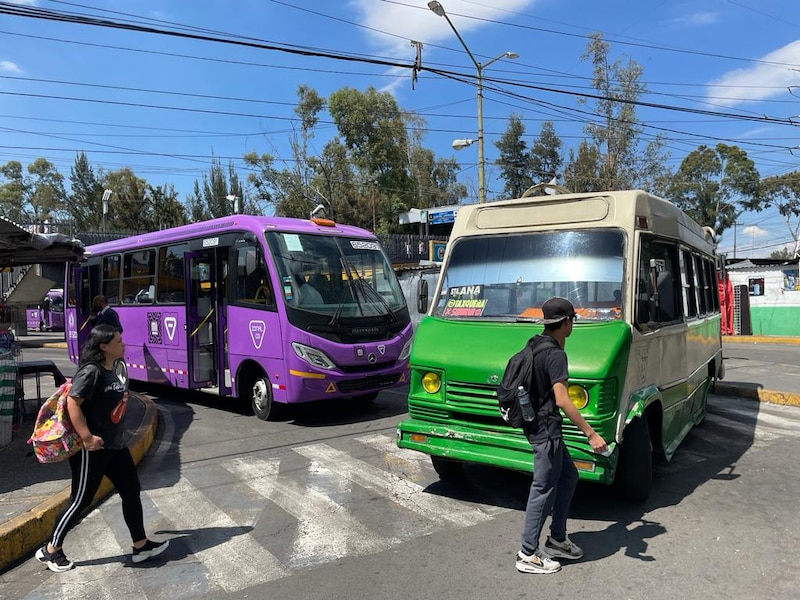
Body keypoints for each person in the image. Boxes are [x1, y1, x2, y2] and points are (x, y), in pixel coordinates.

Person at [35, 325, 169, 572]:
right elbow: (74, 403)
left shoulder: (111, 369)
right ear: (104, 346)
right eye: (118, 341)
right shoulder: (91, 372)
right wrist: (86, 437)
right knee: (81, 499)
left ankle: (140, 545)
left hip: (115, 446)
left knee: (131, 490)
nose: (123, 344)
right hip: (93, 448)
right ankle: (51, 550)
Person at [516, 297, 608, 575]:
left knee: (568, 476)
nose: (573, 325)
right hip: (545, 430)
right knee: (542, 489)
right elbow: (562, 400)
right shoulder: (555, 354)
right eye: (572, 320)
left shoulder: (536, 343)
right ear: (566, 322)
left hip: (538, 424)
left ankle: (557, 539)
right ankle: (527, 553)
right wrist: (590, 434)